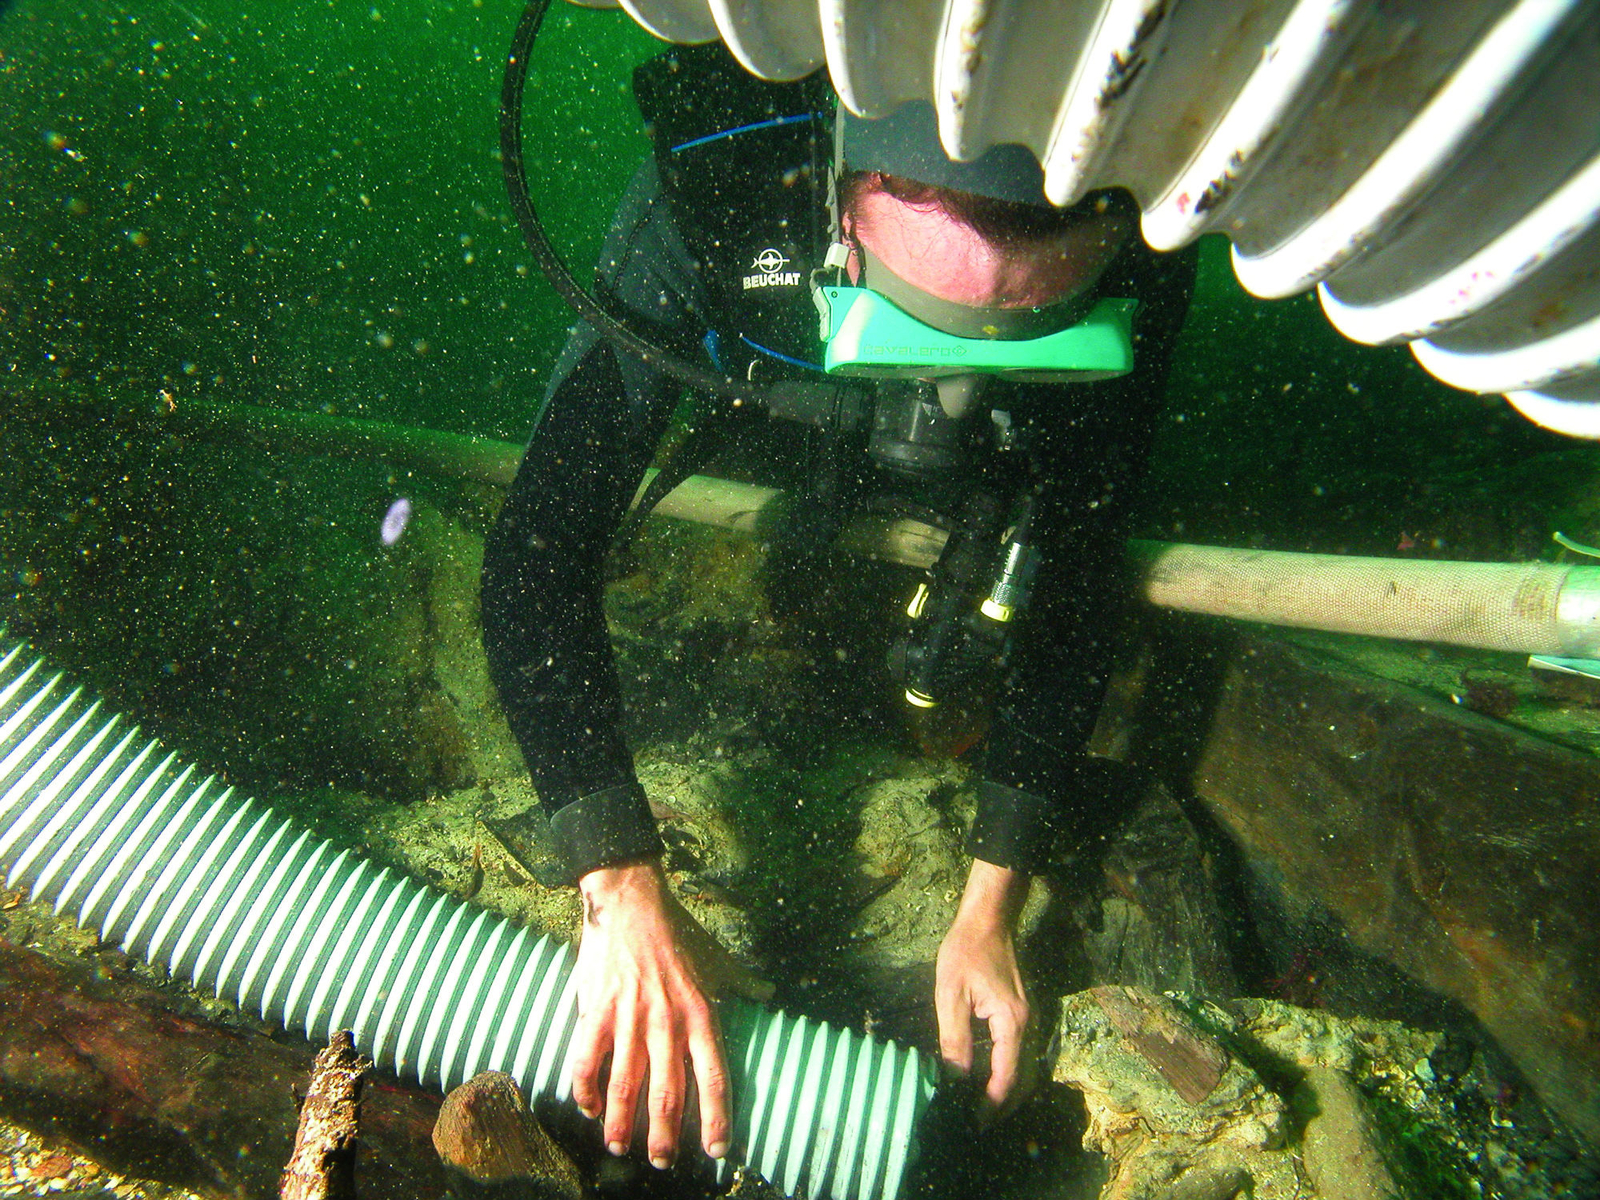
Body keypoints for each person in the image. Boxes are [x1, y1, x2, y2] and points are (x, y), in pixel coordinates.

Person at [481, 42, 1196, 1173]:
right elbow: (537, 552)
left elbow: (1078, 572)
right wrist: (617, 883)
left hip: (995, 478)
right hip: (774, 398)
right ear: (842, 208)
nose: (954, 393)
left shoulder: (1154, 234)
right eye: (917, 329)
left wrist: (990, 907)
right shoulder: (717, 187)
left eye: (1038, 343)